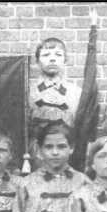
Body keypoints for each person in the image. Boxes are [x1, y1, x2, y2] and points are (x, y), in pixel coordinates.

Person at [28, 38, 82, 171]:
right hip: (36, 156)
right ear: (37, 61)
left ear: (65, 60)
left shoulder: (76, 92)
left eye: (58, 55)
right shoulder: (28, 92)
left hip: (68, 155)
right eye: (46, 55)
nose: (52, 59)